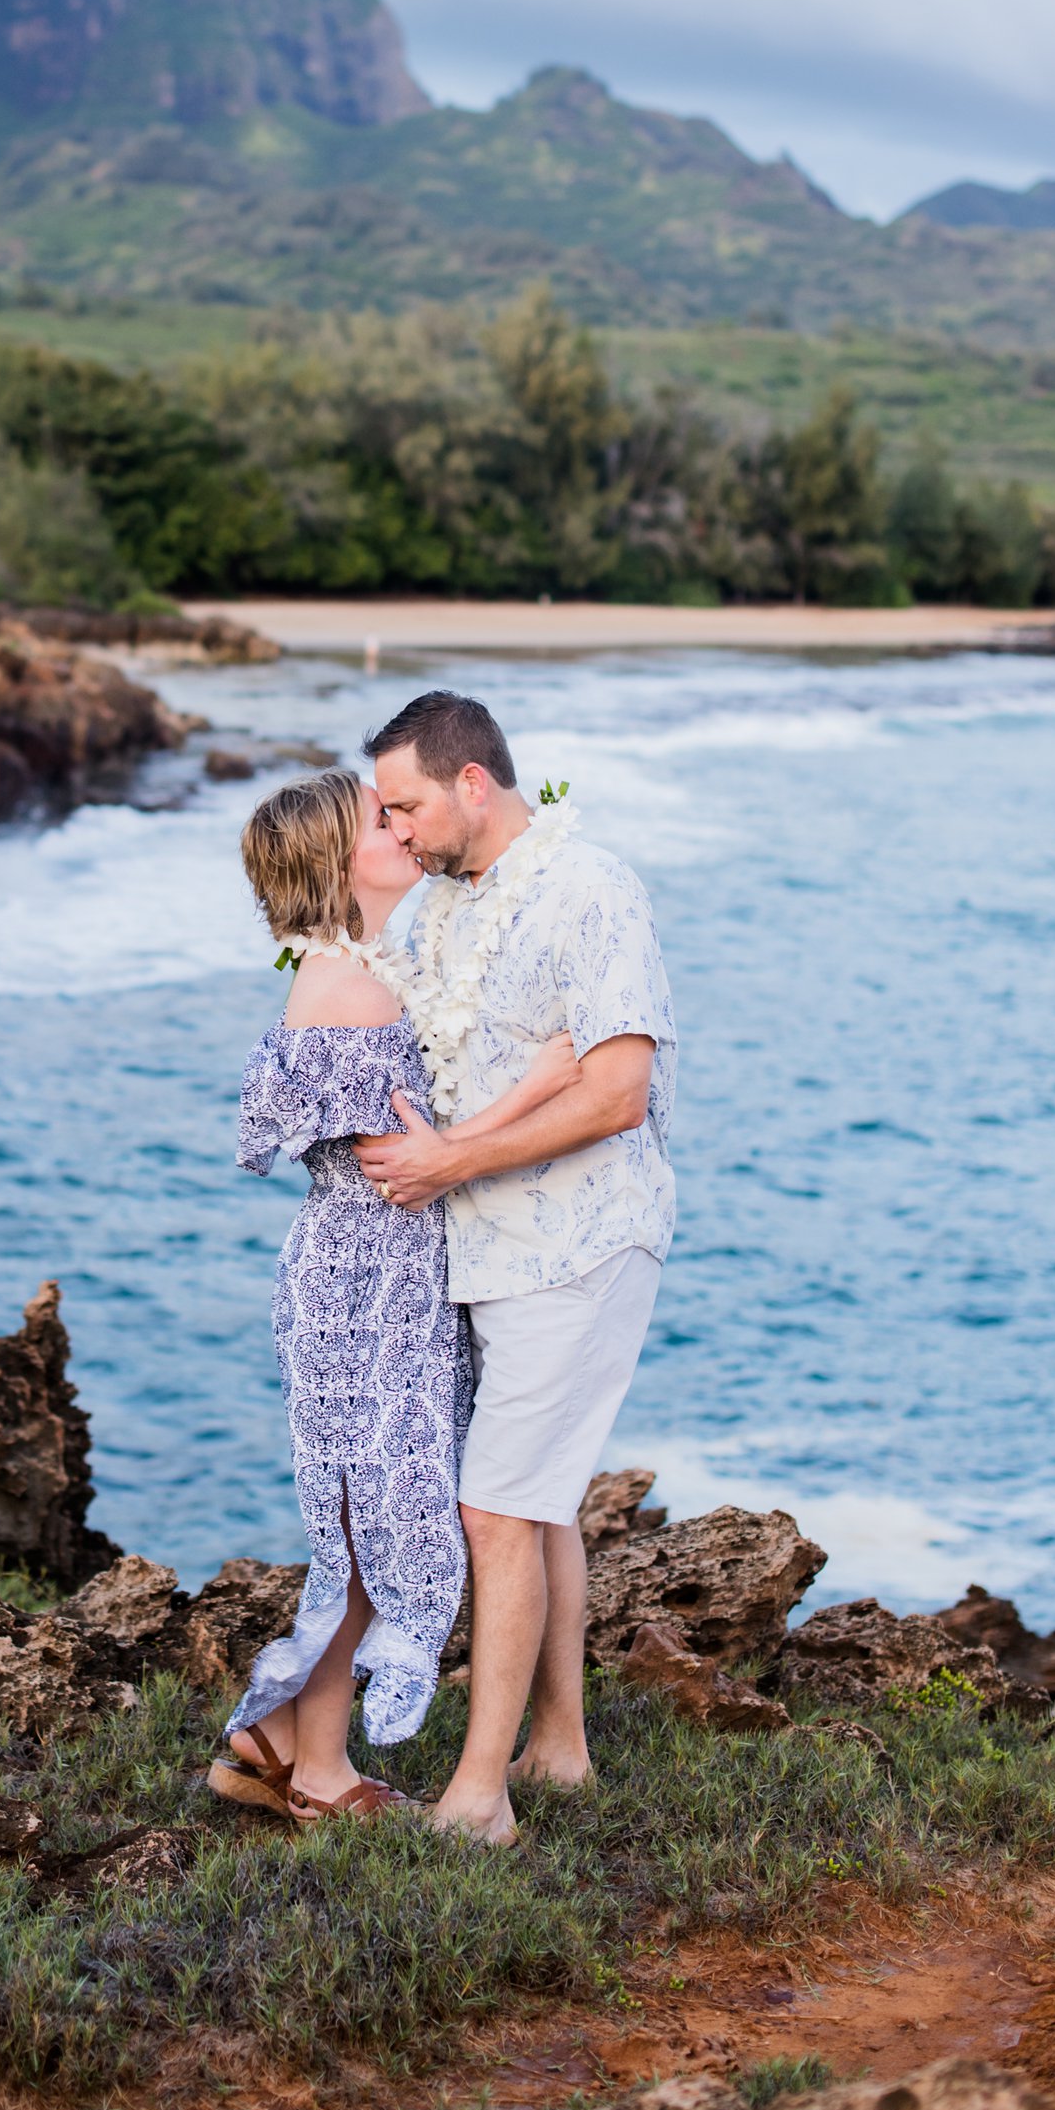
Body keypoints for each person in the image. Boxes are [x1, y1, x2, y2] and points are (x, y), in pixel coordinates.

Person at [356, 689, 676, 1850]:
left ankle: (479, 1794)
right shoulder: (441, 909)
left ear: (472, 784)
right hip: (483, 1247)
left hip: (582, 1240)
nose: (395, 832)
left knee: (492, 1505)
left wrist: (453, 1158)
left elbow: (619, 1088)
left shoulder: (590, 890)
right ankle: (562, 1747)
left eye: (406, 808)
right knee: (535, 1504)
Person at [209, 766, 465, 1825]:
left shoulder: (366, 963)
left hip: (378, 1273)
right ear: (335, 860)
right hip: (367, 1282)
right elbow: (399, 1152)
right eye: (382, 819)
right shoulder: (350, 986)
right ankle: (313, 1768)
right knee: (363, 1529)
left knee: (366, 1524)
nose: (404, 826)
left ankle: (270, 1740)